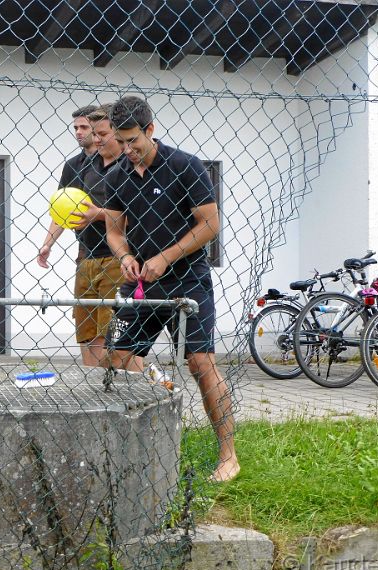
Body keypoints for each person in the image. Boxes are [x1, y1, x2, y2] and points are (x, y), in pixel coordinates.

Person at [103, 95, 240, 482]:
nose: (127, 150)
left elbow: (210, 225)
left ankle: (228, 455)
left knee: (200, 364)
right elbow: (114, 230)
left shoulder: (185, 166)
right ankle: (137, 448)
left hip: (187, 280)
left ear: (150, 130)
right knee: (118, 360)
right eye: (120, 141)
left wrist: (166, 256)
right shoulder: (117, 176)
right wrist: (124, 256)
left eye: (133, 141)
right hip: (142, 284)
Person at [36, 105, 100, 364]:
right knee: (85, 327)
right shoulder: (73, 166)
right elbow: (62, 209)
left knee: (109, 328)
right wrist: (47, 244)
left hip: (116, 252)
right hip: (85, 252)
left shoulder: (116, 162)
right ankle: (92, 382)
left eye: (84, 127)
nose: (78, 132)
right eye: (75, 127)